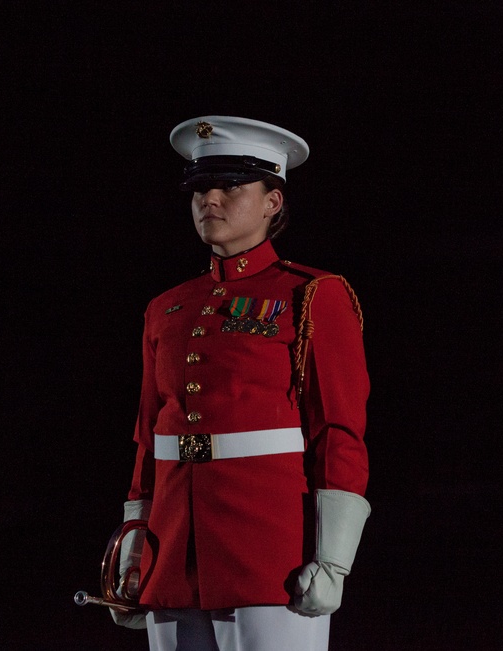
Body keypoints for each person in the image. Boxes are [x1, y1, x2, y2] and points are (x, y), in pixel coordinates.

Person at [108, 116, 371, 651]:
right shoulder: (168, 307)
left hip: (269, 549)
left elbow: (338, 430)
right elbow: (147, 435)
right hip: (173, 546)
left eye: (230, 187)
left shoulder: (313, 294)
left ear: (273, 201)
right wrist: (135, 547)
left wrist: (333, 559)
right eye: (201, 189)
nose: (211, 200)